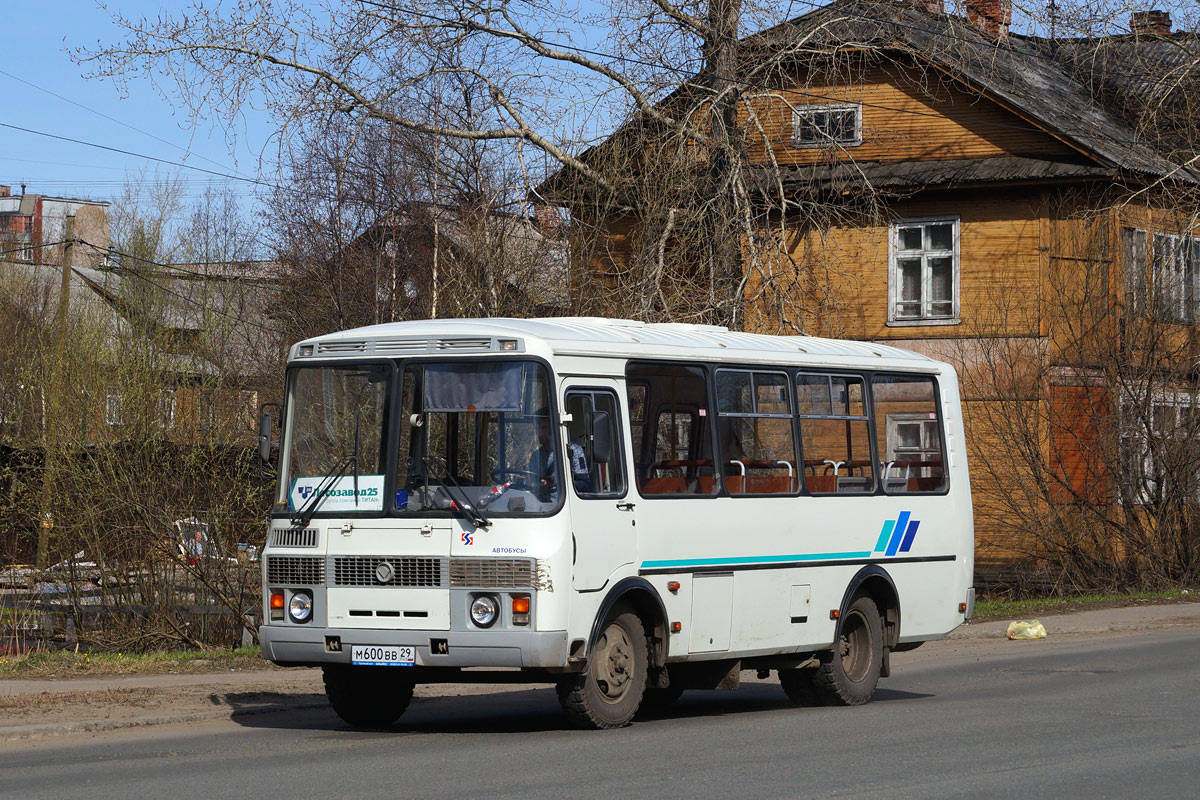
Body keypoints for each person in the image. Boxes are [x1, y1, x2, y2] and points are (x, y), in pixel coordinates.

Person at [529, 408, 590, 503]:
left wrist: (557, 482)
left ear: (553, 429)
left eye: (543, 428)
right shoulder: (535, 456)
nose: (539, 433)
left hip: (563, 505)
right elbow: (532, 484)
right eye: (536, 429)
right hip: (538, 505)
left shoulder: (574, 451)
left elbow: (585, 485)